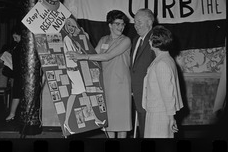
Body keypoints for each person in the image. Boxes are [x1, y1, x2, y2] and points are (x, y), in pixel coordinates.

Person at [68, 10, 132, 138]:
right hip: (105, 84)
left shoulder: (126, 40)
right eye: (117, 24)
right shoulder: (104, 39)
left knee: (121, 121)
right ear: (110, 25)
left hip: (121, 86)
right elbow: (93, 54)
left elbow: (107, 56)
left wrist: (83, 56)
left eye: (123, 24)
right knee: (108, 121)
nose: (121, 27)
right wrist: (82, 39)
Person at [62, 17, 105, 134]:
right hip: (73, 70)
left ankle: (68, 122)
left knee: (76, 95)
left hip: (75, 70)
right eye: (69, 25)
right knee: (81, 94)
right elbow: (73, 55)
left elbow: (79, 53)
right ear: (65, 26)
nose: (71, 28)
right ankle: (68, 122)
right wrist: (80, 52)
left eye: (73, 26)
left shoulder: (71, 39)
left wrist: (85, 39)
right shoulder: (67, 39)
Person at [142, 25, 184, 138]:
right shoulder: (166, 59)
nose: (149, 41)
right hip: (159, 110)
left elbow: (168, 93)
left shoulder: (162, 64)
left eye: (150, 38)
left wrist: (171, 118)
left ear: (154, 42)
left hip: (160, 112)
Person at [130, 8, 156, 138]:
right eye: (135, 22)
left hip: (149, 94)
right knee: (143, 128)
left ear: (149, 22)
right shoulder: (136, 40)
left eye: (139, 22)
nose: (136, 25)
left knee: (149, 130)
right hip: (137, 92)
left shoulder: (155, 39)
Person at [5, 25, 23, 122]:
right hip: (18, 73)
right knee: (17, 94)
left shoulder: (22, 45)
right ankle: (12, 114)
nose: (14, 40)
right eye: (13, 38)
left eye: (16, 37)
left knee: (17, 94)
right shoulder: (19, 45)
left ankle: (12, 114)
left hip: (19, 73)